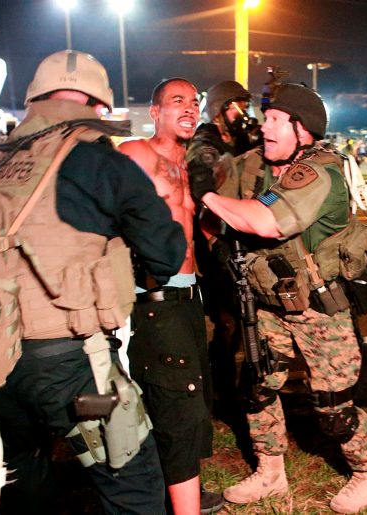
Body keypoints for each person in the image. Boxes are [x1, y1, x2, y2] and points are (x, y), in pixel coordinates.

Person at [0, 50, 188, 514]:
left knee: (20, 475)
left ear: (35, 100)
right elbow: (164, 253)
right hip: (70, 354)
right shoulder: (98, 161)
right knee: (132, 481)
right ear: (97, 104)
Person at [194, 83, 367, 514]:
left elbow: (268, 223)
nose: (266, 128)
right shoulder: (260, 165)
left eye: (278, 121)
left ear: (304, 130)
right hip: (269, 305)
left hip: (320, 309)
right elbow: (224, 182)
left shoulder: (319, 172)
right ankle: (271, 473)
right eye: (266, 119)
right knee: (259, 386)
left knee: (333, 407)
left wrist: (204, 193)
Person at [118, 78, 223, 515]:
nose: (189, 107)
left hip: (189, 298)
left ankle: (177, 491)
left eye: (194, 101)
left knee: (193, 403)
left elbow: (204, 233)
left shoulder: (192, 164)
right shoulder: (136, 154)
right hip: (152, 299)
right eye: (177, 100)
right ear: (155, 111)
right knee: (177, 407)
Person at [187, 80, 257, 412]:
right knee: (229, 321)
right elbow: (204, 192)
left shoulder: (241, 139)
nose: (243, 113)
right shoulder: (205, 143)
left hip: (244, 235)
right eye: (236, 107)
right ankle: (221, 391)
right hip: (216, 243)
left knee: (250, 319)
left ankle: (246, 385)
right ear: (219, 110)